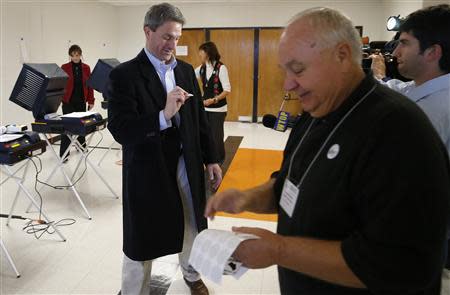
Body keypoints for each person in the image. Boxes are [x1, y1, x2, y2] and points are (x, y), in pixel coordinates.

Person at [205, 7, 450, 294]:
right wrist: (247, 197)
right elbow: (288, 183)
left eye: (298, 69)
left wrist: (279, 250)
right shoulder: (315, 110)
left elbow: (401, 264)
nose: (288, 84)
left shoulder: (399, 130)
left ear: (343, 55)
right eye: (285, 71)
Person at [107, 3, 222, 295]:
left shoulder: (184, 71)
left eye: (177, 37)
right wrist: (163, 115)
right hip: (148, 169)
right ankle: (134, 290)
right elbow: (121, 130)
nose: (173, 44)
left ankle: (192, 275)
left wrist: (211, 159)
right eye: (167, 37)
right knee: (141, 239)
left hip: (186, 163)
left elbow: (199, 120)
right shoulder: (125, 75)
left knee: (192, 225)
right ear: (148, 31)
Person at [371, 5, 450, 293]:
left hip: (420, 232)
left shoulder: (440, 108)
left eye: (404, 43)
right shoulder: (422, 90)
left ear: (433, 52)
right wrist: (378, 76)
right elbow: (398, 91)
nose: (396, 51)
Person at [195, 42, 231, 164]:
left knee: (216, 137)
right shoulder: (202, 68)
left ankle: (220, 159)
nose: (199, 54)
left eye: (201, 51)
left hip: (218, 110)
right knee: (206, 136)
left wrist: (214, 100)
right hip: (205, 109)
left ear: (208, 53)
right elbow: (189, 75)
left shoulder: (221, 68)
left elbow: (227, 90)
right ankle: (209, 158)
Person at [60, 44, 95, 161]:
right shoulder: (64, 67)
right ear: (70, 56)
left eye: (77, 55)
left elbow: (90, 85)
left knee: (81, 125)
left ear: (80, 55)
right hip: (68, 102)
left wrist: (91, 101)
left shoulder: (86, 68)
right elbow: (60, 84)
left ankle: (81, 147)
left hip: (81, 101)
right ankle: (64, 154)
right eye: (73, 55)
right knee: (67, 127)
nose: (75, 57)